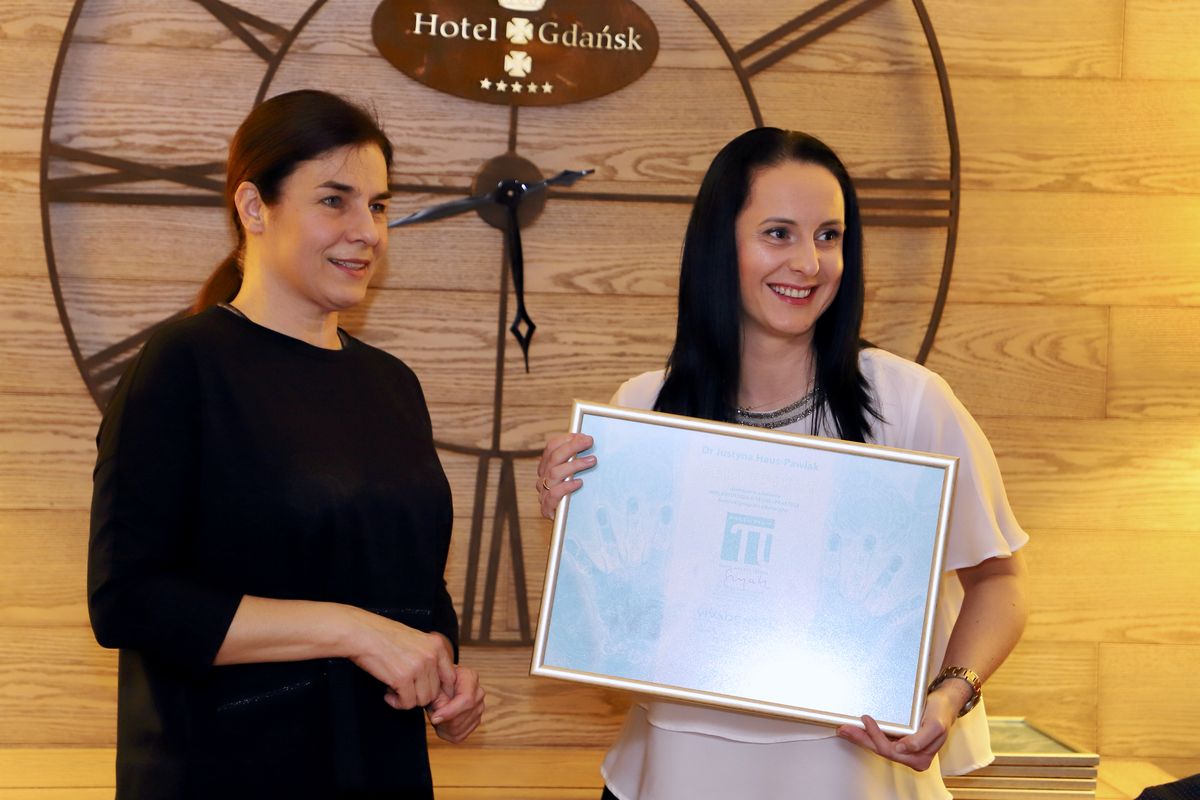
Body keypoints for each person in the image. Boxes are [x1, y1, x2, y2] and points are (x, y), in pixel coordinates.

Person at [535, 128, 1028, 800]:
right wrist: (577, 529)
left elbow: (999, 582)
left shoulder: (909, 402)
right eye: (778, 234)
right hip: (671, 775)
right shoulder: (643, 409)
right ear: (721, 246)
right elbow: (616, 621)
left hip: (856, 781)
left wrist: (949, 695)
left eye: (829, 236)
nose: (808, 262)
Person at [87, 89, 484, 800]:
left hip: (381, 768)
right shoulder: (184, 364)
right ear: (253, 207)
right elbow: (129, 599)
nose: (367, 231)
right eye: (334, 201)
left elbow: (416, 584)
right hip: (225, 773)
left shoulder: (393, 383)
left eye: (378, 206)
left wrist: (438, 668)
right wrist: (354, 631)